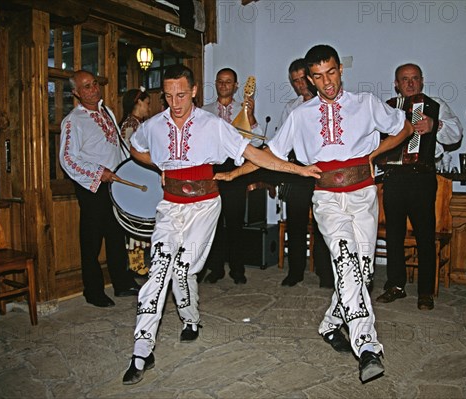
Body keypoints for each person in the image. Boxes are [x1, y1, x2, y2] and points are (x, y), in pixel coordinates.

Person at [220, 45, 414, 383]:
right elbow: (271, 153)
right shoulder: (300, 115)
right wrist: (234, 174)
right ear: (310, 78)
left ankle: (329, 325)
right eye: (318, 76)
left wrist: (376, 153)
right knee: (346, 264)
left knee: (362, 272)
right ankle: (367, 347)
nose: (327, 83)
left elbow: (405, 128)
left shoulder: (367, 103)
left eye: (332, 73)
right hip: (326, 199)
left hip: (364, 194)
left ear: (341, 69)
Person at [122, 64, 320, 385]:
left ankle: (191, 319)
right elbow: (136, 148)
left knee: (184, 269)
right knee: (158, 272)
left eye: (182, 95)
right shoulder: (154, 125)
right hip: (170, 205)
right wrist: (161, 164)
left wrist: (296, 170)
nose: (175, 102)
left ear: (195, 91)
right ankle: (141, 350)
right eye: (169, 95)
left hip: (204, 205)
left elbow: (253, 154)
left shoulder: (212, 125)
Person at [376, 63, 463, 311]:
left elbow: (455, 134)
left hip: (422, 176)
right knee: (394, 235)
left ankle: (425, 291)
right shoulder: (389, 108)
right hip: (393, 177)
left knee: (425, 235)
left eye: (415, 78)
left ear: (422, 81)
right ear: (397, 84)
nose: (411, 83)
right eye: (405, 79)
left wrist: (435, 126)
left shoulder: (436, 105)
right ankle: (396, 285)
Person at [59, 70, 139, 308]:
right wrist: (98, 172)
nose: (93, 89)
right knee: (92, 241)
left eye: (94, 84)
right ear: (76, 92)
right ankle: (92, 291)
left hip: (114, 185)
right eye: (86, 87)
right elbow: (67, 159)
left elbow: (118, 147)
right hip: (92, 187)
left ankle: (122, 283)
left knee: (116, 236)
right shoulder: (73, 120)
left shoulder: (107, 111)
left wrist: (131, 169)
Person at [201, 68, 267, 284]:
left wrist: (250, 115)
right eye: (220, 81)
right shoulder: (204, 110)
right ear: (216, 83)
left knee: (236, 222)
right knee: (213, 223)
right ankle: (216, 268)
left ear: (236, 85)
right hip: (212, 170)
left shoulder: (244, 108)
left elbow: (256, 143)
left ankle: (237, 270)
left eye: (228, 82)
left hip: (236, 170)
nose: (224, 85)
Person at [277, 58, 333, 288]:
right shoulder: (291, 108)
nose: (300, 85)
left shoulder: (327, 103)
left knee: (324, 224)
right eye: (295, 82)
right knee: (296, 223)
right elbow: (281, 142)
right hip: (297, 170)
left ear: (311, 77)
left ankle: (325, 273)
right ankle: (296, 271)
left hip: (322, 170)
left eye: (302, 79)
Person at [119, 87, 153, 276]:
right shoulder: (130, 125)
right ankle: (135, 264)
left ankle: (139, 262)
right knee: (136, 223)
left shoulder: (141, 123)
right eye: (147, 103)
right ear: (138, 103)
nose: (149, 107)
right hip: (133, 179)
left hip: (141, 179)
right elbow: (128, 155)